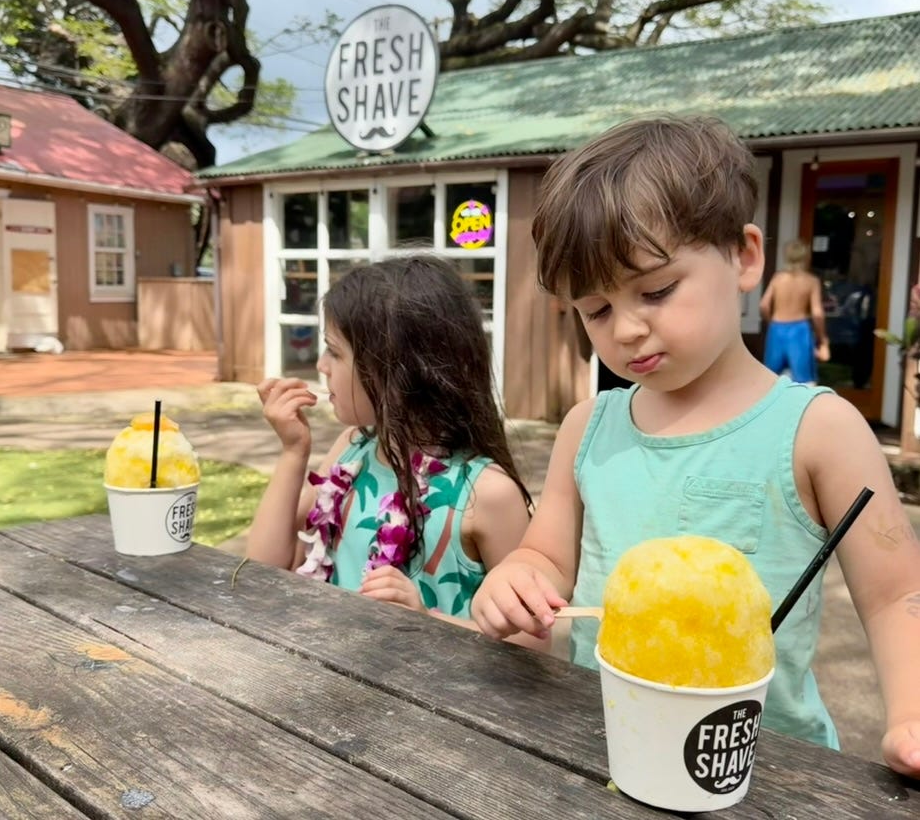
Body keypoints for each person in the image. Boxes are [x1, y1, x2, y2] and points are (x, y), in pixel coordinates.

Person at [470, 114, 920, 777]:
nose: (625, 329)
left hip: (761, 766)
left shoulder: (817, 428)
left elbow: (894, 595)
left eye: (656, 290)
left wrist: (909, 715)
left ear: (743, 256)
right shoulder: (587, 426)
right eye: (595, 309)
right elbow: (546, 556)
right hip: (603, 744)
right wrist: (517, 581)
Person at [247, 254, 541, 643]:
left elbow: (534, 641)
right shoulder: (352, 451)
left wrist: (425, 621)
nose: (320, 365)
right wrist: (293, 452)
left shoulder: (486, 493)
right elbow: (263, 569)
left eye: (334, 352)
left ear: (396, 369)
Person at [759, 239, 830, 384]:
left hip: (777, 328)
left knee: (770, 380)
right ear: (805, 257)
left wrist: (771, 321)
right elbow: (817, 313)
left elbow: (764, 305)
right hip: (799, 330)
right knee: (804, 381)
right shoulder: (811, 281)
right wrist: (822, 339)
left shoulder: (778, 278)